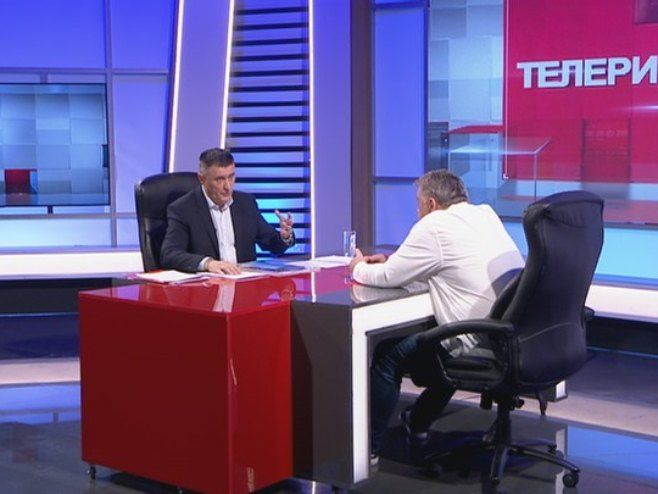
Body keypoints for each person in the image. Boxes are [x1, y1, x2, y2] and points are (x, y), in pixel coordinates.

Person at [349, 169, 524, 463]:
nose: (417, 212)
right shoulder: (485, 214)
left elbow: (388, 277)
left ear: (431, 203)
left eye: (418, 204)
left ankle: (368, 451)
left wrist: (357, 267)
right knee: (435, 336)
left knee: (388, 356)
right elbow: (451, 263)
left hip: (477, 340)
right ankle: (417, 424)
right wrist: (394, 261)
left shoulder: (434, 224)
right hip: (509, 336)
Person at [160, 148, 295, 273]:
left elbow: (272, 244)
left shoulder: (246, 203)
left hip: (243, 282)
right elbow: (169, 254)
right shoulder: (183, 209)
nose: (228, 186)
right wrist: (208, 263)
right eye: (220, 179)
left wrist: (285, 236)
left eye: (231, 177)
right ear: (202, 179)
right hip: (208, 286)